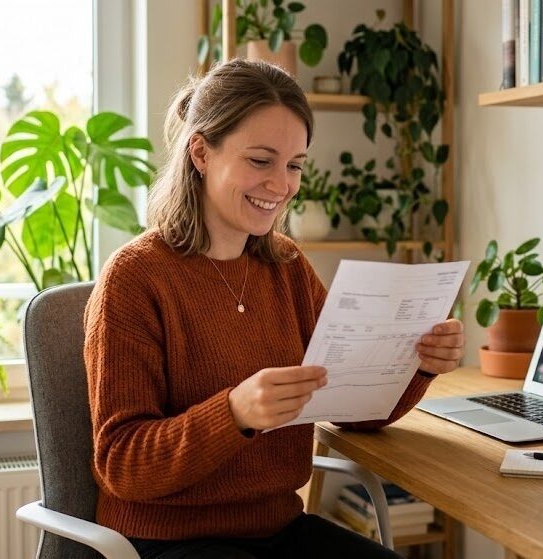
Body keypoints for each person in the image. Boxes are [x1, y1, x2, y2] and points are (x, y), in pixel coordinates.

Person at [83, 59, 465, 559]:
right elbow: (122, 463)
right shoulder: (134, 278)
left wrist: (420, 364)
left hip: (280, 529)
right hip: (167, 540)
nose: (282, 185)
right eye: (261, 161)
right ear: (201, 152)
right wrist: (234, 413)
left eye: (295, 165)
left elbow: (353, 409)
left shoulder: (287, 267)